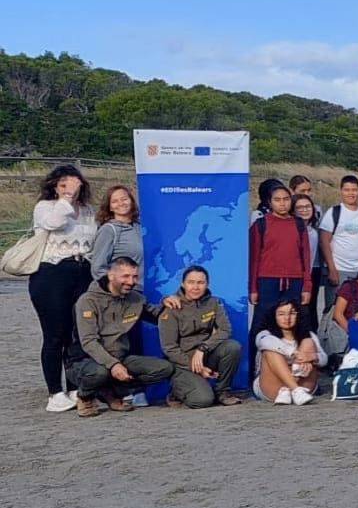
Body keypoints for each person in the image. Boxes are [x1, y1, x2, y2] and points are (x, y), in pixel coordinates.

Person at [66, 256, 175, 417]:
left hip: (121, 357)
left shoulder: (136, 299)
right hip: (85, 360)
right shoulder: (87, 301)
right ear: (111, 275)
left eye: (135, 276)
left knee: (164, 368)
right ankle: (85, 396)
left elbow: (158, 317)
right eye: (125, 276)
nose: (131, 282)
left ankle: (112, 392)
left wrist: (168, 303)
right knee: (99, 373)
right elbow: (89, 342)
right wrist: (114, 365)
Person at [28, 165, 97, 412]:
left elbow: (92, 241)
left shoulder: (87, 210)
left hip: (82, 271)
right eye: (64, 184)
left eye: (74, 184)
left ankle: (75, 386)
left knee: (77, 332)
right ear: (55, 186)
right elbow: (54, 223)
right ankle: (55, 393)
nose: (71, 188)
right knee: (55, 334)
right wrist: (66, 198)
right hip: (52, 272)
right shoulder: (46, 207)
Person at [157, 265, 243, 408]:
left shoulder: (214, 303)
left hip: (204, 355)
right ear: (183, 284)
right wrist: (197, 367)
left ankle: (222, 391)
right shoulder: (171, 307)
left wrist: (203, 347)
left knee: (232, 347)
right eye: (191, 282)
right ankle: (177, 391)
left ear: (207, 284)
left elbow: (225, 330)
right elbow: (169, 348)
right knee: (202, 400)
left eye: (201, 282)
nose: (196, 287)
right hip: (182, 362)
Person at [249, 182, 312, 321]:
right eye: (277, 200)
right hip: (267, 281)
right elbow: (254, 259)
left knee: (292, 322)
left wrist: (307, 286)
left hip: (295, 281)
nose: (282, 204)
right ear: (270, 202)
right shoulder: (260, 224)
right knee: (263, 321)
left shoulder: (299, 224)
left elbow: (306, 258)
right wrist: (253, 288)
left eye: (286, 199)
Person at [252, 299, 323, 406]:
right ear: (274, 316)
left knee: (308, 342)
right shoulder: (265, 334)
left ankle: (294, 390)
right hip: (274, 387)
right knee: (270, 351)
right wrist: (295, 353)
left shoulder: (309, 334)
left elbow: (324, 359)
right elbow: (266, 342)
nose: (287, 318)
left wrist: (311, 357)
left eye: (292, 313)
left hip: (304, 385)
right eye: (281, 314)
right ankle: (295, 389)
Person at [318, 175, 358, 313]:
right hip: (339, 269)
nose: (351, 193)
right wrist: (332, 269)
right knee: (334, 309)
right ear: (341, 191)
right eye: (347, 190)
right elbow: (324, 241)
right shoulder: (334, 212)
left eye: (354, 190)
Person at [89, 185, 142, 280]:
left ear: (131, 201)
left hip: (149, 286)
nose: (121, 203)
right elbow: (98, 268)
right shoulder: (108, 230)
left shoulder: (141, 228)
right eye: (115, 201)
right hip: (126, 287)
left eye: (124, 199)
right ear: (110, 207)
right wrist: (114, 285)